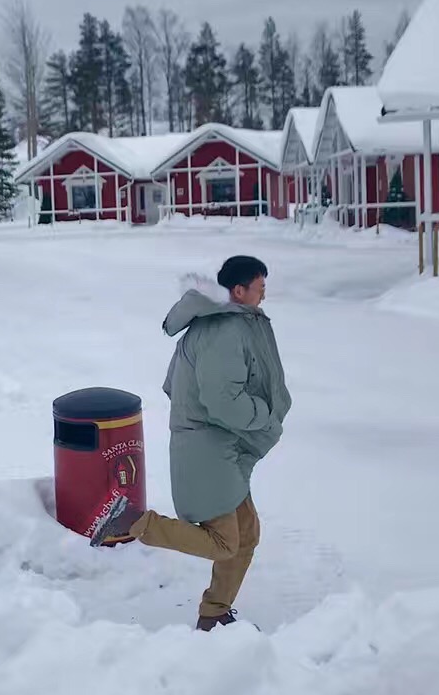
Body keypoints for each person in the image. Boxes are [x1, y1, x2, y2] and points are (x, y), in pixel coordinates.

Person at [90, 255, 291, 631]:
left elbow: (175, 385)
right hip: (208, 448)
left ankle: (214, 612)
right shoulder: (222, 331)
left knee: (246, 534)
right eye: (260, 288)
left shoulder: (221, 323)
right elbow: (221, 400)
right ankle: (134, 522)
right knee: (224, 542)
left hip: (220, 446)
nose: (264, 296)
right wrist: (263, 414)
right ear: (239, 290)